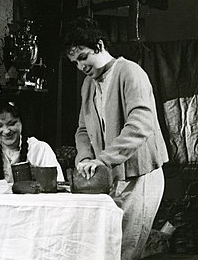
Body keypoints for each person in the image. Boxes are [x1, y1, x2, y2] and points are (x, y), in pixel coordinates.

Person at [62, 16, 169, 260]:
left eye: (83, 58)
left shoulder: (130, 72)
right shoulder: (89, 85)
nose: (81, 67)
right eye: (75, 63)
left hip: (141, 177)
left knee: (125, 252)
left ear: (99, 46)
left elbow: (141, 124)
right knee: (108, 249)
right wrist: (85, 157)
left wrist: (104, 160)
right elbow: (82, 130)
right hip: (115, 177)